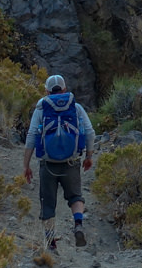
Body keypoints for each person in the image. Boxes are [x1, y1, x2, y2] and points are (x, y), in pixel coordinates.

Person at [23, 73, 95, 250]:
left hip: (48, 165)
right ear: (64, 89)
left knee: (48, 203)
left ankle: (51, 243)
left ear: (46, 91)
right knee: (76, 196)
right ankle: (78, 224)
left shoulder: (41, 108)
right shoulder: (75, 107)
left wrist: (26, 164)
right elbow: (90, 132)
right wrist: (89, 156)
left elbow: (32, 136)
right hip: (71, 162)